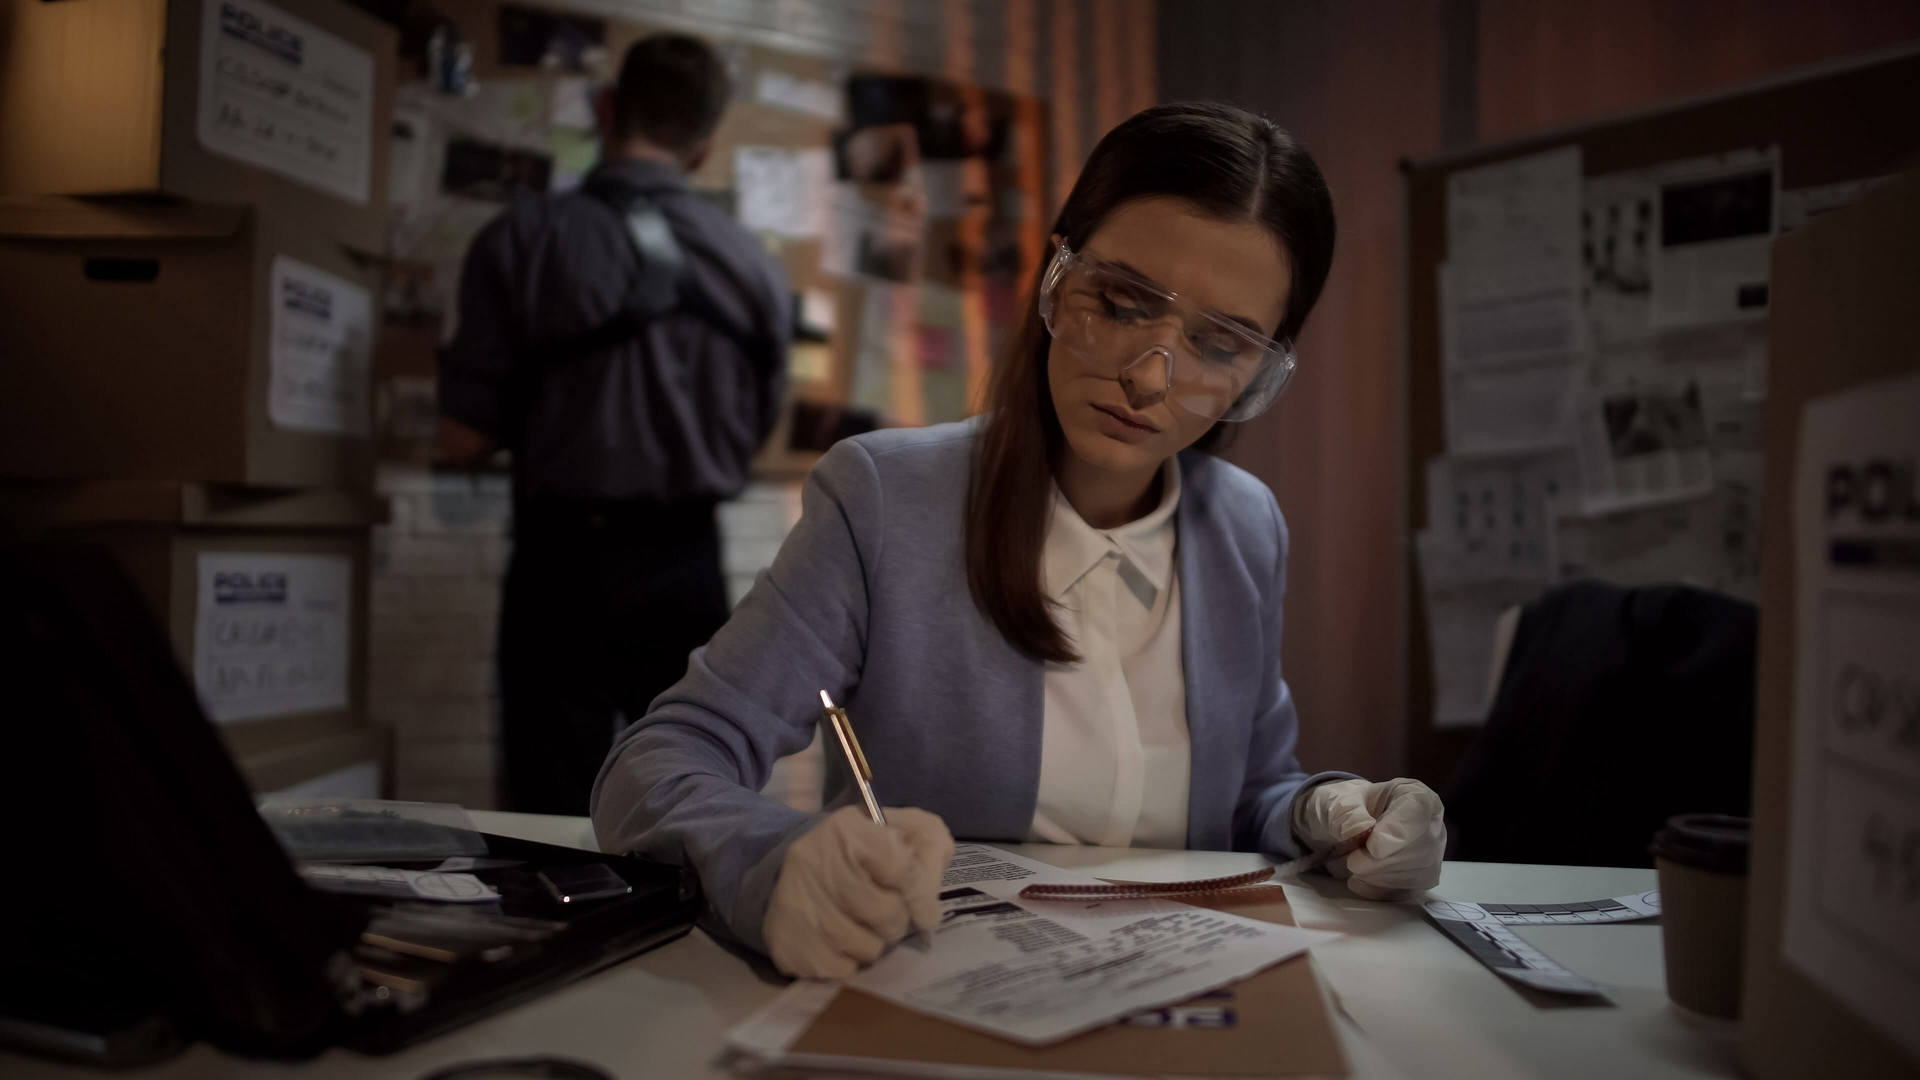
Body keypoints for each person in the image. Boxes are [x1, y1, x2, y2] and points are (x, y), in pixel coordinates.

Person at [591, 102, 1447, 978]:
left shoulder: (1245, 525)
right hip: (936, 984)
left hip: (1180, 987)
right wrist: (769, 864)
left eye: (1220, 345)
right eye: (1118, 303)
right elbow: (658, 764)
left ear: (1261, 369)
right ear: (1054, 277)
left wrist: (1333, 813)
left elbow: (1250, 791)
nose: (1150, 379)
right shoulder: (886, 499)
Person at [438, 34, 790, 815]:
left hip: (558, 560)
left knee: (549, 817)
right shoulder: (755, 266)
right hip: (687, 560)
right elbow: (756, 432)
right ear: (703, 148)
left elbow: (459, 437)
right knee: (692, 800)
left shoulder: (519, 237)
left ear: (605, 108)